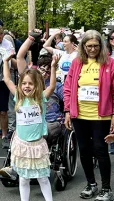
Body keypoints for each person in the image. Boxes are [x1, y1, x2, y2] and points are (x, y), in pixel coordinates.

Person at [64, 30, 114, 201]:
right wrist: (67, 111)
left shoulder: (110, 64)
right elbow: (68, 88)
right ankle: (91, 184)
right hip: (79, 114)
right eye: (89, 46)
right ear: (83, 46)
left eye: (96, 46)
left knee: (100, 149)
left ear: (101, 46)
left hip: (101, 116)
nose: (92, 49)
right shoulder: (77, 63)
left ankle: (106, 188)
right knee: (83, 150)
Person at [3, 50, 60, 201]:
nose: (27, 86)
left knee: (42, 178)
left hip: (37, 145)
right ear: (20, 85)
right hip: (22, 145)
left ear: (37, 85)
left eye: (30, 83)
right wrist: (5, 62)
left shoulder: (41, 98)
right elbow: (8, 79)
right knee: (23, 179)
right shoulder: (18, 97)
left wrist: (53, 67)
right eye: (24, 83)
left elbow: (52, 85)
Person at [0, 25, 15, 149]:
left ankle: (4, 135)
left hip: (3, 80)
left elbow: (10, 61)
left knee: (3, 111)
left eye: (0, 34)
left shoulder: (7, 43)